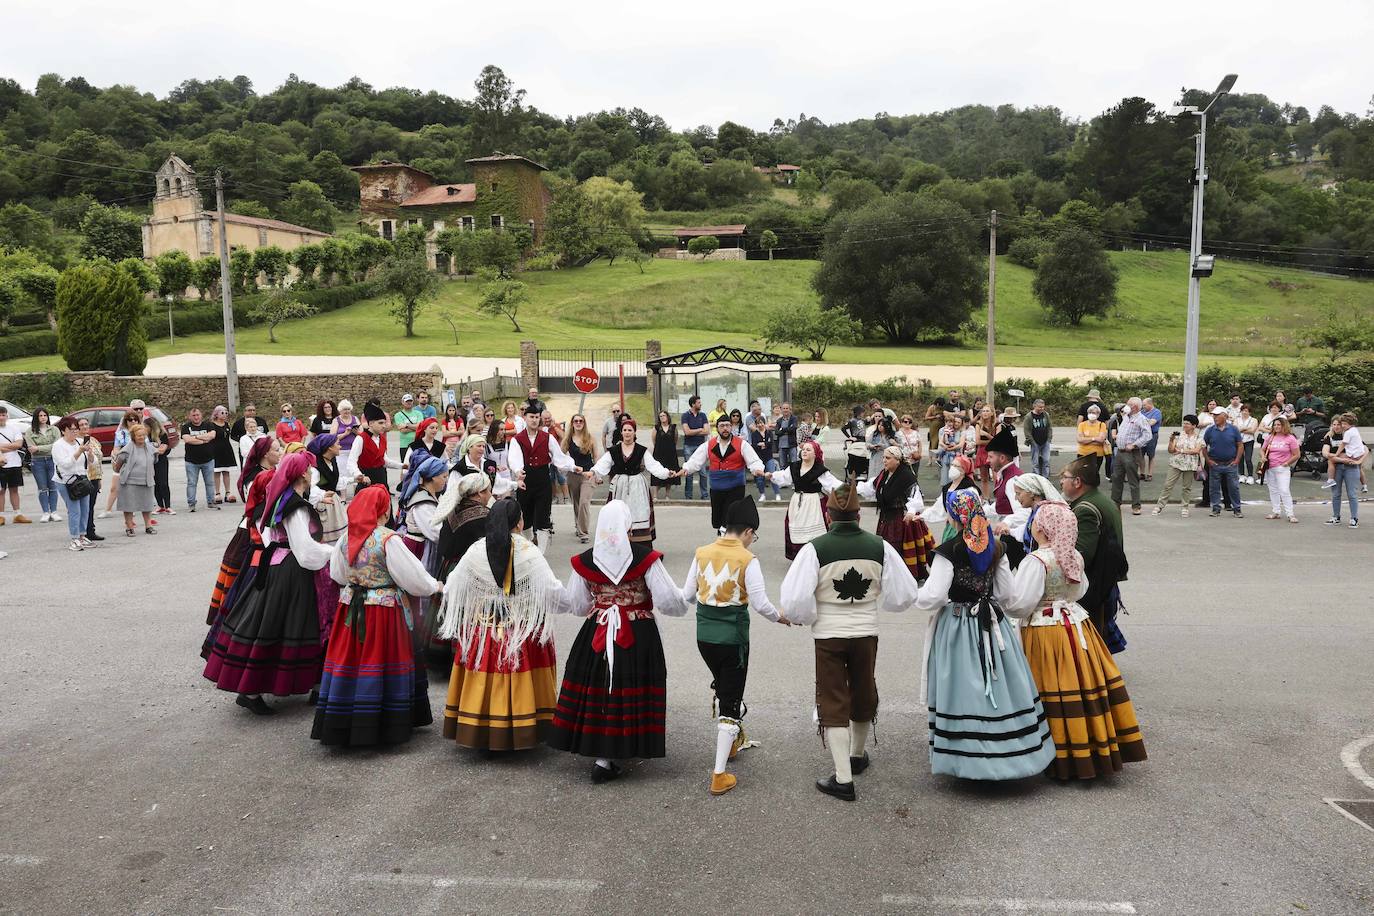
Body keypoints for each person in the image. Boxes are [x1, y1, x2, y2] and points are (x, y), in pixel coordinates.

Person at [779, 481, 919, 800]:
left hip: (829, 632)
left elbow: (796, 598)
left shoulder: (815, 549)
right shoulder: (879, 546)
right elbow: (904, 594)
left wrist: (809, 616)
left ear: (828, 515)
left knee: (833, 697)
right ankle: (856, 756)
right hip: (866, 629)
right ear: (859, 515)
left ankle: (843, 778)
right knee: (863, 688)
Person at [913, 490, 1056, 780]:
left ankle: (969, 759)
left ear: (956, 515)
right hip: (992, 623)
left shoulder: (948, 551)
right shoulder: (997, 548)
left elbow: (933, 596)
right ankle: (1011, 752)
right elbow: (1007, 594)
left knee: (964, 686)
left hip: (957, 625)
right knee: (1000, 683)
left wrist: (910, 594)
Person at [546, 501, 688, 782]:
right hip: (637, 631)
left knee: (599, 686)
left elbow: (577, 604)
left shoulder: (586, 560)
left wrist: (602, 601)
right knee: (629, 686)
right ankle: (619, 749)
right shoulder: (645, 558)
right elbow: (670, 601)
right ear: (626, 526)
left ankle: (602, 754)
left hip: (598, 628)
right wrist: (686, 599)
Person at [1003, 502, 1146, 780]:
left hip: (1045, 632)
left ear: (1043, 527)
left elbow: (1021, 604)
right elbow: (1080, 591)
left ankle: (1052, 752)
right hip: (1075, 624)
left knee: (1050, 689)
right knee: (1081, 685)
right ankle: (1087, 746)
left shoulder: (1037, 561)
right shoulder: (1074, 557)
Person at [434, 497, 568, 751]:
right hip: (522, 629)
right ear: (520, 522)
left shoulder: (476, 550)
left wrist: (477, 600)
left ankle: (480, 729)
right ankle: (523, 728)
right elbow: (552, 592)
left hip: (483, 628)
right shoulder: (529, 551)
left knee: (484, 673)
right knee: (519, 675)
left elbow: (451, 587)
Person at [203, 452, 332, 715]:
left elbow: (270, 535)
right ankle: (255, 690)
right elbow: (305, 550)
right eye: (309, 469)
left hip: (276, 566)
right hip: (292, 573)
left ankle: (310, 685)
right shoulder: (295, 506)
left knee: (275, 625)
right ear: (303, 474)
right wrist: (336, 551)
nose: (311, 473)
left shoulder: (281, 499)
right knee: (297, 624)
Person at [311, 484, 441, 747]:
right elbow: (412, 577)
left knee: (353, 661)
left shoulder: (346, 539)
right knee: (381, 661)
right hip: (384, 614)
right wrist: (434, 586)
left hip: (351, 609)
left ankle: (347, 721)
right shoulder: (387, 539)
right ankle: (385, 723)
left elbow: (336, 574)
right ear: (383, 509)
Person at [678, 496, 788, 795]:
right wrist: (782, 618)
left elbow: (688, 595)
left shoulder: (701, 552)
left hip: (704, 637)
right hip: (733, 639)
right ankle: (719, 773)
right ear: (749, 531)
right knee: (730, 698)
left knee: (725, 687)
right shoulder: (747, 559)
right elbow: (762, 604)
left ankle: (734, 740)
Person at [206, 437, 282, 641]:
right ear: (266, 454)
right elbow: (258, 507)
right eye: (277, 449)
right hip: (251, 532)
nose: (280, 452)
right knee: (244, 580)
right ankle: (235, 622)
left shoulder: (271, 472)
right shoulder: (254, 477)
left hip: (262, 529)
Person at [1058, 458, 1127, 643]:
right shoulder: (1101, 499)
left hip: (1096, 583)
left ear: (1078, 482)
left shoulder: (1085, 509)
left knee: (1090, 639)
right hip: (1107, 579)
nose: (1061, 481)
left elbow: (1083, 555)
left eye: (1064, 477)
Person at [589, 416, 677, 544]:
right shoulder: (614, 451)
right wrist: (593, 472)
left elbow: (653, 465)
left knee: (638, 512)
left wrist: (666, 472)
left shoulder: (641, 450)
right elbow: (603, 464)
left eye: (630, 430)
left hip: (637, 485)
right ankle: (617, 545)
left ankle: (640, 546)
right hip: (619, 486)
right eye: (625, 430)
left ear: (634, 432)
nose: (627, 433)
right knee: (617, 515)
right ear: (621, 432)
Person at [858, 446, 936, 581]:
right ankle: (889, 574)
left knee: (897, 547)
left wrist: (911, 512)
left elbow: (915, 496)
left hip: (901, 519)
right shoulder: (884, 474)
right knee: (886, 546)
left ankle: (902, 576)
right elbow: (872, 487)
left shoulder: (906, 476)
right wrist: (854, 488)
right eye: (883, 457)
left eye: (888, 458)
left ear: (898, 460)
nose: (884, 461)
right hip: (885, 517)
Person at [506, 403, 577, 547]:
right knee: (525, 516)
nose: (534, 420)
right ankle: (530, 542)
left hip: (543, 479)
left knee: (543, 517)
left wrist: (573, 467)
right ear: (525, 418)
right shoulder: (517, 439)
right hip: (526, 480)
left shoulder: (547, 437)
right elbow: (513, 458)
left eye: (537, 417)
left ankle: (540, 552)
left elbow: (558, 456)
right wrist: (518, 470)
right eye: (531, 417)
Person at [682, 415, 768, 535]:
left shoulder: (741, 444)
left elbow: (754, 461)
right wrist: (685, 469)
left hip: (735, 488)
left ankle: (727, 543)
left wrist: (758, 469)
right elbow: (695, 461)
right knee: (717, 520)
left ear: (731, 427)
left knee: (730, 519)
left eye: (727, 425)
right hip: (716, 488)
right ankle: (722, 539)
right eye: (722, 426)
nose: (725, 428)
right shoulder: (709, 445)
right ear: (717, 428)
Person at [769, 440, 841, 560]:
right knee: (796, 526)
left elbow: (833, 484)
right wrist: (771, 475)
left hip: (814, 502)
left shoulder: (820, 470)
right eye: (803, 449)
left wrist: (852, 489)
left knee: (814, 529)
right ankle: (799, 557)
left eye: (808, 450)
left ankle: (815, 557)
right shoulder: (795, 467)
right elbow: (783, 477)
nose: (805, 452)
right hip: (797, 502)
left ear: (815, 454)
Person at [51, 417, 92, 551]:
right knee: (75, 510)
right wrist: (79, 451)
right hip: (66, 481)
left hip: (82, 480)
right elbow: (65, 464)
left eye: (76, 429)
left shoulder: (80, 441)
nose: (75, 432)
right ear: (63, 431)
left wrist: (90, 454)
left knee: (85, 509)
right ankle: (74, 538)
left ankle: (82, 535)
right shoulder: (58, 445)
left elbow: (93, 462)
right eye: (71, 429)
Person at [1153, 415, 1204, 516]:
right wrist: (1171, 440)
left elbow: (1196, 450)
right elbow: (1171, 450)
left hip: (1190, 465)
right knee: (1168, 485)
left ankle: (1185, 507)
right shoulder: (1179, 435)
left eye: (1187, 423)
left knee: (1187, 487)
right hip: (1176, 463)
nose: (1184, 425)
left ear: (1194, 425)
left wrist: (1180, 450)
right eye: (1184, 423)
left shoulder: (1199, 437)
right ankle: (1159, 506)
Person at [114, 421, 158, 537]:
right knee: (129, 505)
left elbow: (155, 460)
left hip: (146, 480)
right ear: (133, 436)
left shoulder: (150, 448)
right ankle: (129, 527)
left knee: (147, 505)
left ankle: (148, 526)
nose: (141, 437)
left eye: (143, 435)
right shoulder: (127, 449)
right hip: (129, 482)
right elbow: (117, 466)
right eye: (139, 435)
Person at [1110, 397, 1153, 516]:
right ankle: (1115, 503)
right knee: (1116, 478)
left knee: (1133, 479)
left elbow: (1147, 436)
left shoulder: (1141, 419)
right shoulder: (1126, 416)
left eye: (1128, 404)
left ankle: (1136, 505)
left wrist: (1134, 444)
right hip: (1119, 451)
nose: (1126, 406)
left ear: (1135, 407)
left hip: (1131, 453)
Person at [1324, 413, 1365, 529]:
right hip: (1337, 467)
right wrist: (1339, 458)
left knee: (1352, 493)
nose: (1338, 426)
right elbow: (1325, 453)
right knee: (1336, 493)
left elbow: (1364, 450)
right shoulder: (1329, 436)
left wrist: (1358, 461)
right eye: (1335, 424)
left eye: (1341, 424)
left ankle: (1354, 518)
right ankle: (1336, 517)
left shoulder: (1351, 433)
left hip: (1351, 467)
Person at [349, 402, 402, 490]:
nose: (384, 426)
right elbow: (351, 462)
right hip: (366, 480)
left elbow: (384, 461)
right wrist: (360, 476)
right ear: (371, 424)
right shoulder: (360, 439)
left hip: (381, 479)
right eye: (380, 423)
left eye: (385, 423)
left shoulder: (382, 439)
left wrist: (403, 465)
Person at [1202, 406, 1243, 519]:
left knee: (1234, 487)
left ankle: (1237, 509)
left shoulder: (1233, 429)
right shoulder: (1210, 430)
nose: (1214, 417)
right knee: (1214, 488)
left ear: (1224, 416)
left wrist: (1237, 460)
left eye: (1217, 415)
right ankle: (1215, 509)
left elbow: (1240, 445)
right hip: (1215, 463)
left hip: (1231, 463)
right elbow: (1203, 446)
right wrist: (1208, 460)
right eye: (1213, 415)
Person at [1259, 417, 1301, 524]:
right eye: (1275, 425)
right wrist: (1263, 456)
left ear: (1284, 426)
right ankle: (1276, 511)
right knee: (1273, 490)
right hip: (1270, 467)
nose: (1276, 427)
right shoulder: (1270, 437)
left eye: (1279, 425)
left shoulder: (1290, 438)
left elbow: (1297, 454)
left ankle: (1290, 513)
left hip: (1282, 468)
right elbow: (1262, 449)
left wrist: (1287, 463)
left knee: (1284, 490)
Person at [22, 407, 59, 524]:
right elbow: (31, 449)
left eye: (45, 415)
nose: (43, 418)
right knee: (42, 487)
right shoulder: (30, 431)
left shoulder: (54, 429)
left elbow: (57, 445)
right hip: (37, 462)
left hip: (52, 460)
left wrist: (39, 447)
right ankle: (45, 512)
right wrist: (43, 448)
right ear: (36, 418)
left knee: (53, 486)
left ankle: (54, 511)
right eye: (40, 416)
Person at [182, 407, 219, 513]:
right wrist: (203, 440)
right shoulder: (186, 427)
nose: (196, 417)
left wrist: (195, 437)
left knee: (210, 482)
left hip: (208, 460)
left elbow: (212, 435)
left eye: (198, 415)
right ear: (190, 417)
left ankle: (211, 502)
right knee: (192, 483)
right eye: (193, 415)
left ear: (201, 415)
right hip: (191, 461)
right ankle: (191, 504)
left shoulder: (208, 425)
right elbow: (187, 439)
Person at [75, 418, 105, 542]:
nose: (84, 426)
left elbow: (99, 461)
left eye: (86, 424)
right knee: (83, 506)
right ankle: (83, 531)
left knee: (91, 505)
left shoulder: (93, 440)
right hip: (83, 478)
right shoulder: (76, 441)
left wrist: (99, 478)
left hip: (94, 476)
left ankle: (90, 530)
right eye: (81, 425)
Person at [985, 426, 1023, 517]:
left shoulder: (1012, 480)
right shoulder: (1004, 475)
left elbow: (1022, 513)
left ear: (1002, 458)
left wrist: (1006, 523)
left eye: (990, 457)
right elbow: (1001, 504)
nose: (987, 460)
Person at [679, 396, 710, 501]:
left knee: (703, 473)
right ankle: (688, 496)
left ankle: (704, 495)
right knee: (688, 472)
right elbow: (686, 432)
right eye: (699, 402)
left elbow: (707, 431)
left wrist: (694, 431)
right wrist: (700, 429)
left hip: (701, 447)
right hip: (689, 446)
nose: (700, 404)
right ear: (693, 404)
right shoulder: (685, 416)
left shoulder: (703, 415)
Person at [749, 407, 781, 501]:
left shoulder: (768, 432)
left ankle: (777, 494)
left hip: (768, 457)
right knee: (759, 478)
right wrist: (761, 445)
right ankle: (762, 494)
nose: (760, 425)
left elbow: (771, 444)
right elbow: (754, 445)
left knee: (772, 475)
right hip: (759, 458)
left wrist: (764, 444)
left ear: (764, 423)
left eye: (761, 423)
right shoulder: (754, 434)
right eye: (758, 423)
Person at [209, 406, 237, 505]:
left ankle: (228, 493)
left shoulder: (227, 424)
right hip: (215, 450)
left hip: (226, 450)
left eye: (226, 413)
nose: (225, 414)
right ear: (216, 414)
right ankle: (217, 493)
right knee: (216, 472)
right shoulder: (211, 425)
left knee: (226, 471)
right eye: (222, 413)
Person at [651, 410, 681, 500]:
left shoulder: (673, 427)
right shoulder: (656, 428)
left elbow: (675, 439)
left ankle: (667, 495)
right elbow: (654, 440)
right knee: (657, 473)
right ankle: (655, 495)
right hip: (659, 454)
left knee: (670, 472)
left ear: (667, 417)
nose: (662, 417)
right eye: (660, 416)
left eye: (664, 415)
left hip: (670, 454)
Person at [1022, 399, 1053, 478]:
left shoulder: (1046, 415)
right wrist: (1032, 441)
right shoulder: (1029, 417)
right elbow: (1027, 430)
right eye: (1039, 407)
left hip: (1045, 441)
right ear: (1034, 406)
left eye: (1043, 407)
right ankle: (1036, 477)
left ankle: (1045, 478)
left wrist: (1049, 439)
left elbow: (1049, 427)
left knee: (1046, 460)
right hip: (1034, 441)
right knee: (1035, 462)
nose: (1041, 409)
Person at [1076, 404, 1109, 476]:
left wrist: (1086, 440)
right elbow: (1080, 439)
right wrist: (1094, 439)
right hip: (1083, 453)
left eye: (1094, 413)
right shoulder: (1082, 425)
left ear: (1098, 414)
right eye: (1090, 413)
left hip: (1097, 455)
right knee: (1082, 474)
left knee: (1094, 474)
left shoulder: (1102, 425)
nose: (1091, 414)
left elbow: (1101, 440)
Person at [392, 394, 425, 465]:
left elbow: (421, 427)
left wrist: (406, 425)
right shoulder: (398, 415)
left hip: (418, 443)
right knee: (406, 467)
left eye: (410, 401)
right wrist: (415, 427)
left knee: (418, 466)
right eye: (407, 401)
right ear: (402, 402)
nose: (409, 403)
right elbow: (402, 431)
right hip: (404, 445)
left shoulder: (418, 413)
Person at [1139, 397, 1162, 480]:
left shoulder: (1157, 412)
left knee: (1151, 455)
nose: (1143, 406)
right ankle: (1142, 473)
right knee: (1140, 455)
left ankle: (1150, 474)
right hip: (1141, 435)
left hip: (1152, 435)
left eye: (1144, 405)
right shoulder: (1141, 412)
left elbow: (1151, 423)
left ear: (1150, 404)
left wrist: (1141, 422)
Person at [843, 406, 869, 480]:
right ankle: (855, 472)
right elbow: (843, 429)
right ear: (859, 413)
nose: (863, 414)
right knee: (855, 454)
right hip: (856, 440)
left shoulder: (862, 420)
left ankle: (862, 470)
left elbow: (868, 422)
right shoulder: (852, 421)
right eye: (862, 412)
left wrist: (869, 419)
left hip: (864, 441)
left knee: (864, 455)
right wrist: (849, 437)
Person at [866, 411, 893, 482]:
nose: (880, 426)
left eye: (882, 425)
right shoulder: (874, 434)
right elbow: (867, 443)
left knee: (884, 476)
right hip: (875, 457)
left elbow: (894, 447)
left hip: (886, 458)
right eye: (879, 425)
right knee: (873, 475)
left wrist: (883, 446)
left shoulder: (891, 436)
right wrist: (872, 446)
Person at [1237, 405, 1260, 485]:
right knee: (1240, 458)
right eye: (1243, 410)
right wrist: (1246, 429)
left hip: (1249, 441)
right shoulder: (1237, 419)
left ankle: (1250, 476)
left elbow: (1253, 430)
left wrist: (1241, 429)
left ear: (1249, 412)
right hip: (1239, 441)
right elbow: (1235, 429)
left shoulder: (1253, 420)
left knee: (1248, 459)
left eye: (1246, 411)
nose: (1244, 412)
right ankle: (1242, 475)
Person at [775, 402, 799, 469]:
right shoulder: (779, 420)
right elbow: (777, 432)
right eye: (784, 408)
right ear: (781, 410)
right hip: (781, 446)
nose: (785, 410)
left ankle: (794, 479)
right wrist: (787, 430)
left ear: (790, 409)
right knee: (782, 465)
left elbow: (793, 428)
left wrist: (782, 429)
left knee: (794, 464)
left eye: (787, 408)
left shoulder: (794, 419)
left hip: (792, 445)